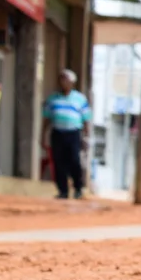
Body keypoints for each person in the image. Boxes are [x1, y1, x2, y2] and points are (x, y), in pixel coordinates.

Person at [42, 69, 92, 200]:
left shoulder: (80, 99)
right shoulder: (53, 99)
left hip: (73, 134)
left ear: (72, 83)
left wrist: (86, 136)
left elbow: (86, 118)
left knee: (74, 161)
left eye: (66, 79)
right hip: (58, 133)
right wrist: (43, 134)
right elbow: (46, 118)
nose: (64, 82)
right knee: (59, 162)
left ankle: (78, 188)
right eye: (61, 79)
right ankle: (62, 190)